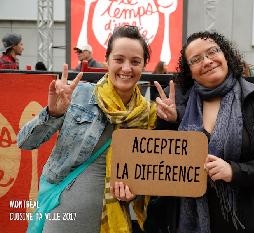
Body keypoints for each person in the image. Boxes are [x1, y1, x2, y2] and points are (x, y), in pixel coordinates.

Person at [150, 31, 254, 233]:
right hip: (186, 221)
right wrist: (169, 123)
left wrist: (235, 171)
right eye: (196, 59)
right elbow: (159, 166)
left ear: (226, 56)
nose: (207, 61)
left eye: (213, 51)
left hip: (247, 221)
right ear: (190, 71)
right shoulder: (178, 106)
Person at [17, 25, 157, 233]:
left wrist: (134, 191)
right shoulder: (78, 95)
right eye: (119, 59)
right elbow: (25, 142)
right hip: (62, 218)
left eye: (135, 61)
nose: (126, 68)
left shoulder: (148, 114)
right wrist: (53, 113)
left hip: (111, 223)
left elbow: (147, 172)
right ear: (107, 60)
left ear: (144, 64)